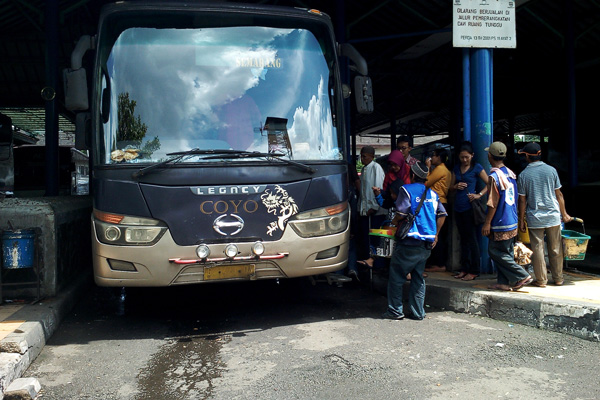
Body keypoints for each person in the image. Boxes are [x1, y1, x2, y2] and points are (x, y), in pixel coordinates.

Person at [382, 161, 447, 320]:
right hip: (426, 244)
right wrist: (436, 234)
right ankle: (418, 312)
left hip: (409, 242)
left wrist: (394, 222)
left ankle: (395, 311)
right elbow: (442, 214)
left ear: (411, 175)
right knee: (418, 278)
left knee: (397, 276)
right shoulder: (432, 194)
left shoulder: (406, 190)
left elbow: (402, 213)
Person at [517, 142, 573, 287]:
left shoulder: (524, 175)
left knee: (538, 249)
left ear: (528, 156)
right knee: (555, 248)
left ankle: (541, 280)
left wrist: (521, 220)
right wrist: (564, 213)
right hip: (553, 216)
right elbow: (559, 194)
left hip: (535, 217)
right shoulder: (551, 170)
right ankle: (559, 278)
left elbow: (522, 200)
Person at [482, 142, 533, 291]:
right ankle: (503, 282)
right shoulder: (510, 174)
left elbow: (493, 202)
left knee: (495, 251)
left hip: (500, 221)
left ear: (490, 156)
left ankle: (521, 275)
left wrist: (487, 223)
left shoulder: (494, 177)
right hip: (511, 219)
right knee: (507, 252)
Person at [450, 141, 489, 281]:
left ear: (472, 155)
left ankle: (474, 270)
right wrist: (456, 186)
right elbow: (450, 187)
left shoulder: (476, 168)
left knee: (472, 239)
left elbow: (490, 183)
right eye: (462, 157)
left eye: (467, 157)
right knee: (463, 240)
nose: (465, 160)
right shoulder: (456, 168)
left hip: (470, 209)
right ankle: (464, 268)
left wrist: (479, 195)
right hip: (458, 208)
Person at [357, 146, 386, 265]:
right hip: (365, 211)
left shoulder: (376, 168)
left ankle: (377, 264)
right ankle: (367, 261)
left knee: (375, 238)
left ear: (372, 157)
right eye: (361, 156)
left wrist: (374, 206)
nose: (362, 159)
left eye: (364, 156)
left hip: (375, 211)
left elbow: (378, 187)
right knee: (366, 238)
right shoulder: (364, 170)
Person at [424, 148, 451, 272]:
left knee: (436, 234)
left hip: (437, 203)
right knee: (438, 234)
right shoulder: (446, 170)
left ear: (439, 157)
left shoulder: (440, 169)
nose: (431, 158)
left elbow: (426, 182)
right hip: (442, 203)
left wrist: (427, 168)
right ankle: (438, 262)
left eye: (433, 156)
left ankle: (439, 263)